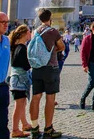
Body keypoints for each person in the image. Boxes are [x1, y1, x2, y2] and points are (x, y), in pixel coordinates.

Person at [29, 9, 65, 139]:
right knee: (50, 98)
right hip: (50, 67)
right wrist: (54, 49)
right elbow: (62, 46)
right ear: (50, 19)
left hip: (37, 68)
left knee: (36, 97)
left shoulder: (35, 31)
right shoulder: (52, 31)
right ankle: (48, 128)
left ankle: (34, 128)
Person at [9, 25, 32, 138]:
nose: (30, 34)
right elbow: (26, 65)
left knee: (22, 103)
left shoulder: (16, 46)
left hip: (17, 79)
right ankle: (15, 129)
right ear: (24, 34)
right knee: (19, 105)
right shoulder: (22, 48)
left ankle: (25, 124)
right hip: (19, 80)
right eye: (29, 32)